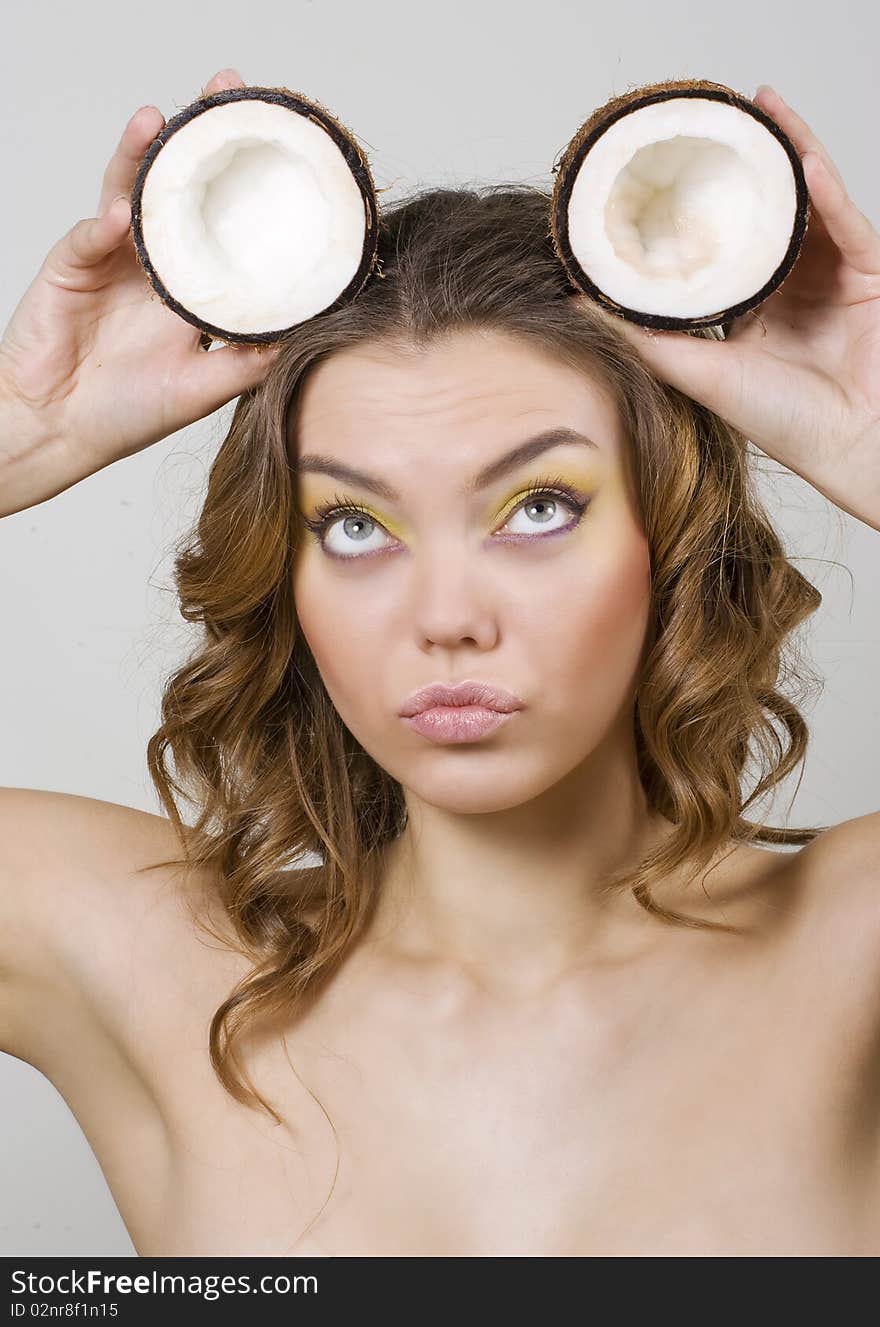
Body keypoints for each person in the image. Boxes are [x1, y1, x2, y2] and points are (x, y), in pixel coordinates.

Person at [1, 67, 878, 1258]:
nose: (446, 617)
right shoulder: (144, 964)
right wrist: (24, 429)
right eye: (355, 525)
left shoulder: (847, 956)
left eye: (537, 507)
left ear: (664, 536)